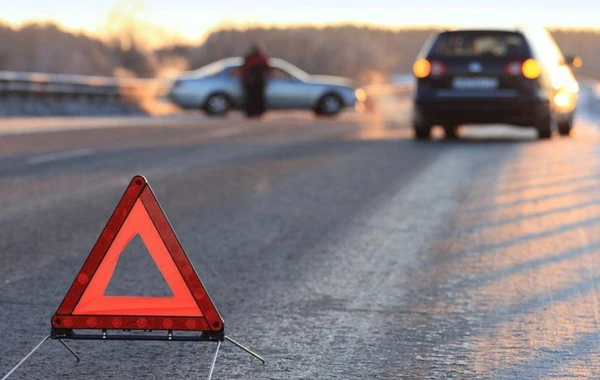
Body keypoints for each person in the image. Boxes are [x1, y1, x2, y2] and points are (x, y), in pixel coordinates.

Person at [240, 43, 270, 118]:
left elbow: (244, 70)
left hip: (251, 82)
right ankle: (258, 112)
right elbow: (268, 69)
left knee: (251, 98)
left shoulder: (249, 59)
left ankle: (252, 112)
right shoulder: (262, 59)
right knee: (258, 98)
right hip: (258, 81)